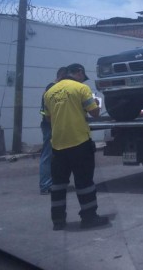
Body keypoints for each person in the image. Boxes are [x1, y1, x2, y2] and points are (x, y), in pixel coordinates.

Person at [43, 63, 109, 230]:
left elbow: (48, 119)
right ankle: (89, 218)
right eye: (82, 75)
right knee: (84, 182)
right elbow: (94, 112)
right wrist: (96, 104)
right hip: (79, 142)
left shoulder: (49, 92)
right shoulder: (81, 88)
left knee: (58, 184)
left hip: (58, 145)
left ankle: (58, 221)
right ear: (79, 73)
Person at [39, 66, 67, 195]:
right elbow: (47, 112)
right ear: (62, 76)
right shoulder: (53, 88)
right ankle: (45, 185)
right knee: (48, 155)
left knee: (53, 156)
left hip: (50, 124)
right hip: (50, 125)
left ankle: (51, 183)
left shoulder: (49, 88)